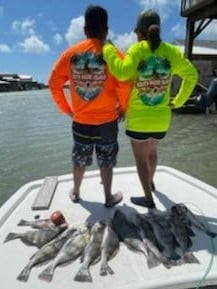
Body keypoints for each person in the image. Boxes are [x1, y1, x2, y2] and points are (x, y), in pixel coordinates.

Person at [103, 10, 198, 208]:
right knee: (152, 152)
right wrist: (179, 101)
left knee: (140, 159)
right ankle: (150, 182)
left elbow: (121, 73)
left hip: (139, 119)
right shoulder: (172, 52)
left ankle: (148, 197)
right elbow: (192, 75)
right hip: (162, 118)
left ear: (140, 32)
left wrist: (109, 49)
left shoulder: (137, 50)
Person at [49, 5, 131, 207]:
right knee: (106, 161)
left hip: (81, 123)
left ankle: (76, 192)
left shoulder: (70, 54)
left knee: (79, 159)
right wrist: (123, 107)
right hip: (107, 123)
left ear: (85, 30)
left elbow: (53, 83)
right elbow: (126, 82)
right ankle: (108, 197)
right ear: (106, 30)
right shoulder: (114, 55)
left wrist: (67, 109)